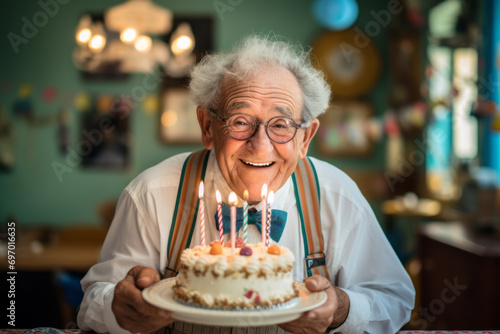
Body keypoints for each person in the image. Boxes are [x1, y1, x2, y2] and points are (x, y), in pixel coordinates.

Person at [77, 35, 415, 334]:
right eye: (240, 121)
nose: (261, 145)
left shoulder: (337, 195)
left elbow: (393, 300)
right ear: (207, 126)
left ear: (306, 137)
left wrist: (340, 309)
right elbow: (94, 301)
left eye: (281, 125)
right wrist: (120, 310)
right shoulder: (151, 193)